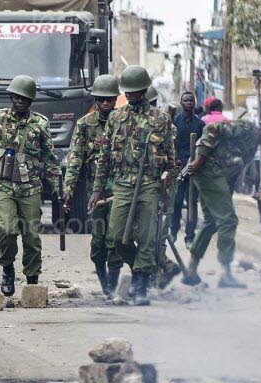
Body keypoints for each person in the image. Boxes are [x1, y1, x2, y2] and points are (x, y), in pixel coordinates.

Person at [91, 65, 176, 306]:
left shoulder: (161, 120)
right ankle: (142, 265)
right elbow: (104, 157)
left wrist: (167, 193)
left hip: (150, 185)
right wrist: (97, 190)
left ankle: (140, 284)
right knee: (117, 236)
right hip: (122, 184)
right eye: (127, 92)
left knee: (148, 237)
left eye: (135, 92)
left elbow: (171, 162)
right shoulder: (116, 118)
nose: (130, 96)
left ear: (144, 91)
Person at [0, 75, 57, 298]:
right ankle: (7, 269)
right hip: (4, 185)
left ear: (30, 99)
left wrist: (58, 185)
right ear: (10, 97)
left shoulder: (40, 123)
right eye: (15, 96)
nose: (19, 101)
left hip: (30, 187)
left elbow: (50, 157)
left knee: (32, 236)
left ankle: (32, 279)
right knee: (7, 230)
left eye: (24, 97)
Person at [183, 113, 261, 288]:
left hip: (215, 176)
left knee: (211, 222)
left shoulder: (253, 144)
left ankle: (191, 270)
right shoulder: (246, 129)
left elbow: (233, 169)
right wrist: (200, 159)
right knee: (228, 221)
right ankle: (225, 274)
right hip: (210, 171)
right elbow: (212, 128)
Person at [62, 73, 120, 296]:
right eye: (101, 99)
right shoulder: (84, 125)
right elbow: (75, 158)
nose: (105, 103)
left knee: (115, 238)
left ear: (115, 100)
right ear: (95, 100)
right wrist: (68, 190)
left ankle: (112, 286)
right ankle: (103, 279)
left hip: (120, 188)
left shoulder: (123, 122)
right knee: (98, 242)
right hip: (94, 189)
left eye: (109, 99)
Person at [171, 89, 204, 241]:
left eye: (191, 100)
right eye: (186, 100)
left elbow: (204, 146)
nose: (189, 103)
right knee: (176, 201)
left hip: (194, 168)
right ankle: (174, 229)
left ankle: (190, 235)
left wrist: (197, 163)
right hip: (178, 167)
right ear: (181, 103)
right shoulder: (174, 121)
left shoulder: (200, 124)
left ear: (194, 103)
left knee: (192, 202)